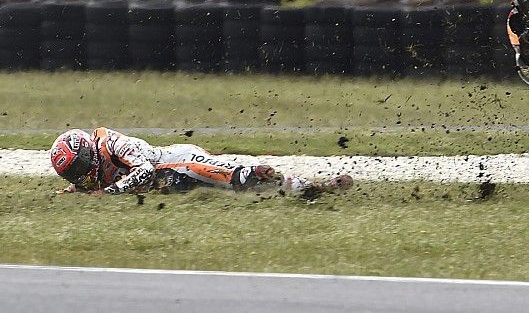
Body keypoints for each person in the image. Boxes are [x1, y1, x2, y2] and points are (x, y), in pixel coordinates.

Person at [50, 127, 353, 198]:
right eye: (71, 175)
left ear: (89, 153)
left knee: (239, 179)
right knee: (234, 196)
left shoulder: (116, 144)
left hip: (176, 164)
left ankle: (315, 188)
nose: (78, 176)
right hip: (168, 188)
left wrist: (108, 193)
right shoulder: (86, 177)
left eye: (78, 168)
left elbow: (143, 172)